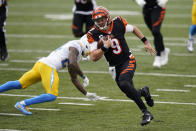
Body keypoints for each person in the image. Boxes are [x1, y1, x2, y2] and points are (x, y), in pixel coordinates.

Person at [86, 6, 156, 126]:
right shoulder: (93, 33)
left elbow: (133, 29)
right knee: (130, 92)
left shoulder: (118, 23)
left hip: (128, 60)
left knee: (124, 83)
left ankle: (146, 113)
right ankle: (144, 92)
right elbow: (94, 57)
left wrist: (146, 42)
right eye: (97, 20)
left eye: (102, 19)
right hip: (113, 67)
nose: (100, 22)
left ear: (107, 17)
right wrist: (104, 47)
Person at [0, 35, 99, 115]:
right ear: (87, 45)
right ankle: (22, 104)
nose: (90, 53)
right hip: (48, 67)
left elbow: (73, 78)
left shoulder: (76, 55)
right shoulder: (76, 45)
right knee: (52, 95)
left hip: (41, 64)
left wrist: (86, 93)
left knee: (19, 84)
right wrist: (83, 76)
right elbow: (72, 63)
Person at [135, 0, 170, 68]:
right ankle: (163, 50)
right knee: (155, 33)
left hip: (158, 7)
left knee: (155, 31)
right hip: (146, 7)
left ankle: (158, 56)